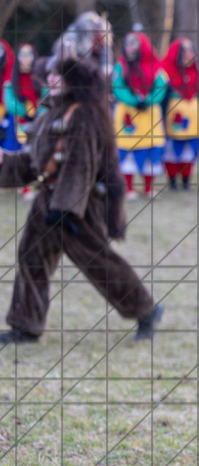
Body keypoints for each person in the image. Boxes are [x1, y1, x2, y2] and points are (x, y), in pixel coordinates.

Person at [0, 57, 163, 346]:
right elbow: (32, 164)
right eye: (50, 73)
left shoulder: (85, 114)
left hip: (79, 206)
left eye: (59, 75)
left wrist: (65, 210)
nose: (51, 79)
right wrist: (4, 162)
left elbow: (80, 165)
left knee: (99, 264)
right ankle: (25, 326)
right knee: (31, 258)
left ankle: (147, 310)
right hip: (49, 201)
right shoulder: (50, 111)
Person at [112, 31, 168, 200]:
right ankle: (129, 188)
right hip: (127, 114)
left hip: (149, 115)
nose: (129, 48)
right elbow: (117, 86)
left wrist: (149, 101)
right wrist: (133, 101)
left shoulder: (155, 67)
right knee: (127, 151)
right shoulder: (120, 66)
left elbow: (161, 86)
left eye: (133, 45)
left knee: (150, 151)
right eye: (127, 45)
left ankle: (148, 187)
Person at [162, 37, 199, 191]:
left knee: (189, 150)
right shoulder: (166, 69)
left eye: (191, 50)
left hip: (194, 114)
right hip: (172, 114)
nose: (189, 54)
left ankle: (186, 180)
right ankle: (172, 180)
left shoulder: (198, 70)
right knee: (171, 149)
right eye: (184, 51)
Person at [2, 44, 43, 200]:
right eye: (22, 55)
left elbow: (46, 97)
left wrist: (37, 112)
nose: (25, 59)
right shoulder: (11, 81)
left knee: (37, 154)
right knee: (19, 155)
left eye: (28, 55)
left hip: (38, 124)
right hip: (19, 125)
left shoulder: (39, 78)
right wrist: (25, 110)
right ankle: (20, 186)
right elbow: (9, 102)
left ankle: (34, 187)